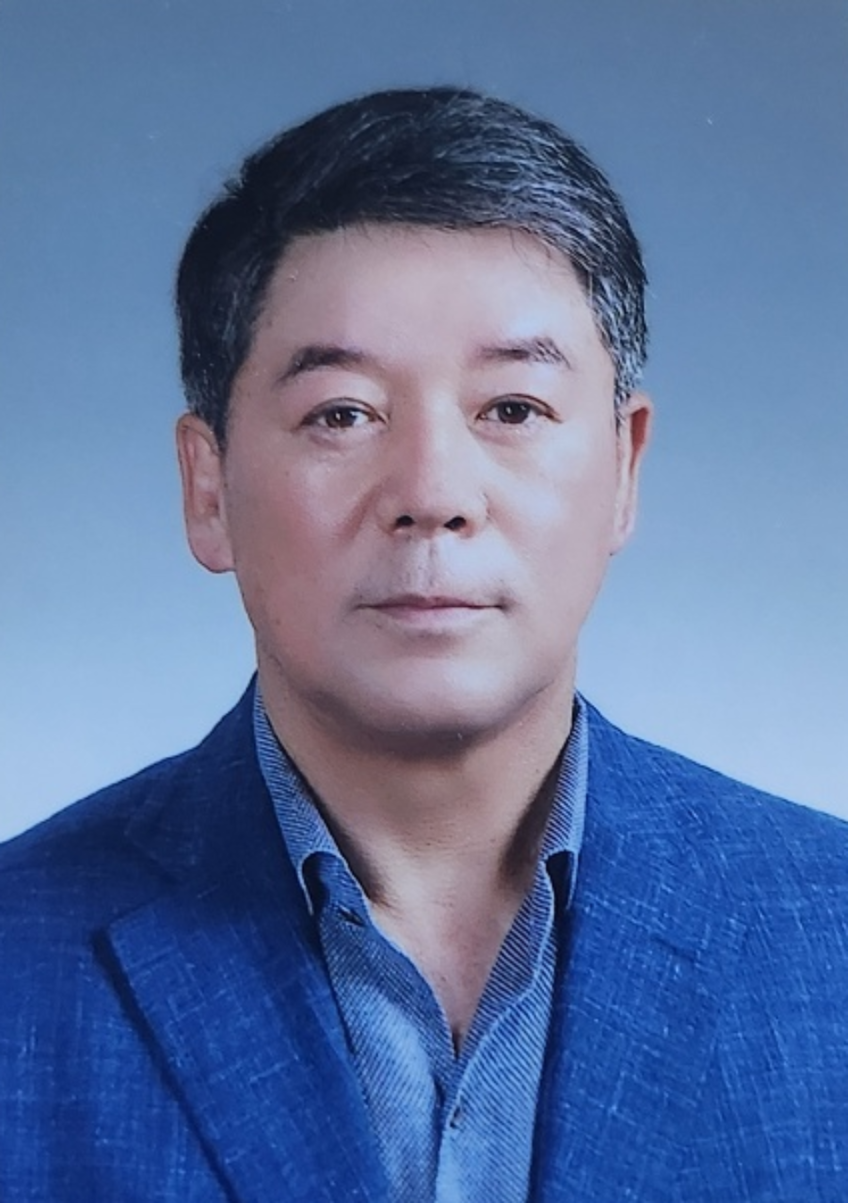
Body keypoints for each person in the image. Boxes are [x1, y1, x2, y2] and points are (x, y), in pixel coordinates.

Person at [1, 87, 846, 1203]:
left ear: (625, 467)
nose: (433, 493)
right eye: (342, 413)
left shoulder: (828, 932)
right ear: (208, 488)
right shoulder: (18, 958)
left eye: (512, 409)